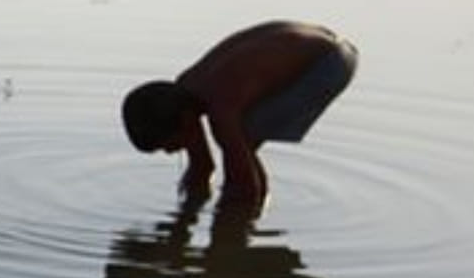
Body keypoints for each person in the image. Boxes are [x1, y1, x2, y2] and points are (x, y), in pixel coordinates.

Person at [120, 20, 358, 209]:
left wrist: (227, 224)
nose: (170, 152)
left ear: (185, 121)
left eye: (167, 145)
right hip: (313, 40)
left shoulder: (221, 107)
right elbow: (202, 166)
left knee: (244, 137)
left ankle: (249, 224)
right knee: (238, 140)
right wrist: (184, 215)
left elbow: (245, 188)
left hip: (331, 61)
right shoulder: (185, 90)